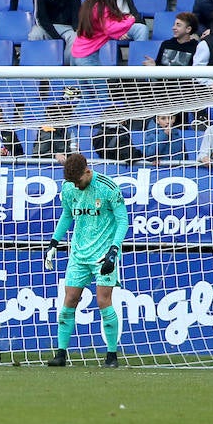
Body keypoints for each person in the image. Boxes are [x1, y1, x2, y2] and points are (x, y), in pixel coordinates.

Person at [42, 152, 127, 368]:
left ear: (88, 172)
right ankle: (61, 354)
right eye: (72, 182)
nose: (76, 186)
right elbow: (67, 215)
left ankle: (111, 355)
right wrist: (53, 242)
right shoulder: (69, 187)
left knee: (103, 301)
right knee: (69, 300)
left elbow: (122, 220)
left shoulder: (108, 187)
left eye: (78, 181)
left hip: (103, 255)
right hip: (78, 255)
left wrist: (114, 250)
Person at [70, 0, 147, 65]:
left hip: (77, 53)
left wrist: (121, 29)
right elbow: (109, 28)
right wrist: (130, 20)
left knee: (140, 28)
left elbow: (110, 22)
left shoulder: (90, 4)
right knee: (100, 79)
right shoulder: (101, 8)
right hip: (87, 56)